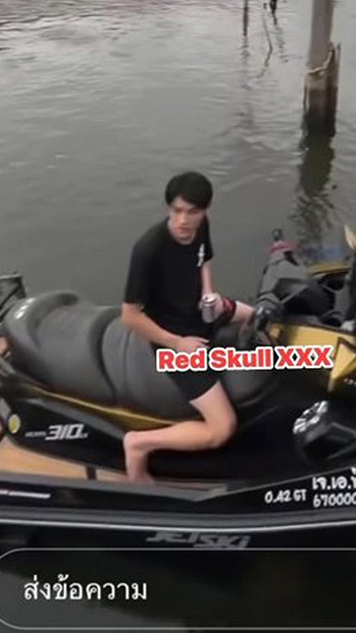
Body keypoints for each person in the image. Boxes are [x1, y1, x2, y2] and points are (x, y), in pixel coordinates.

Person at [120, 171, 254, 482]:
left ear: (207, 210)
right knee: (222, 428)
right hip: (173, 338)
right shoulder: (149, 248)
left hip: (202, 312)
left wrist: (209, 292)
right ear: (169, 208)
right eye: (177, 211)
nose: (184, 221)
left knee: (259, 316)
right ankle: (139, 445)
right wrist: (177, 343)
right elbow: (129, 315)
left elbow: (204, 257)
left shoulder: (200, 226)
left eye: (193, 212)